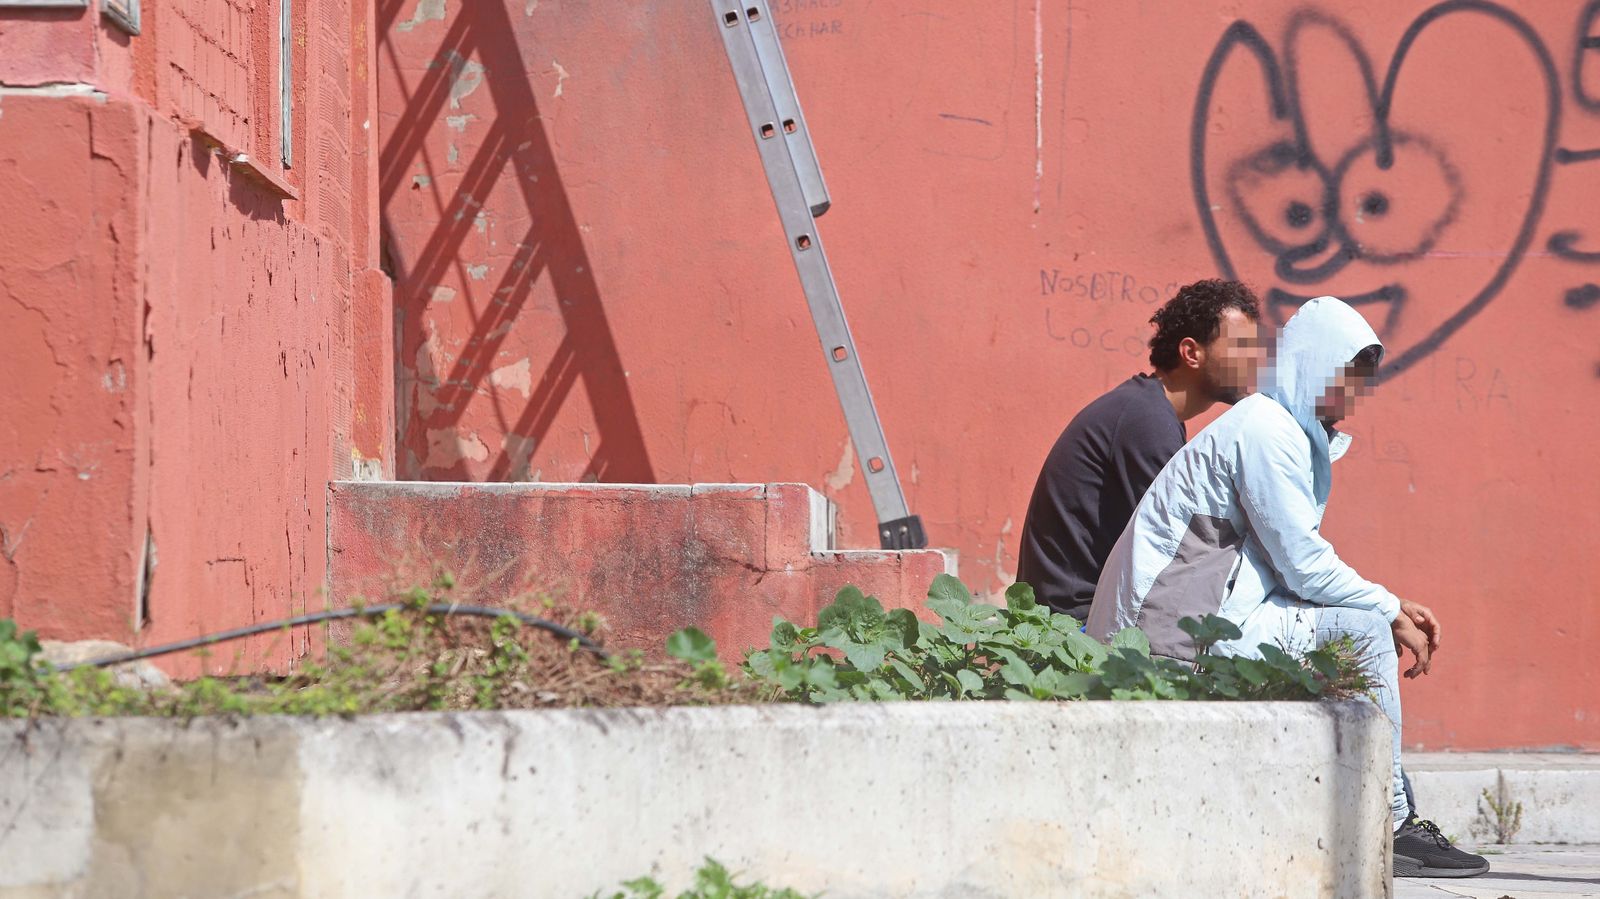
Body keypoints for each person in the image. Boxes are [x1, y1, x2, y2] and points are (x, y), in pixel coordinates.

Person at [1086, 296, 1488, 879]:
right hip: (1172, 637)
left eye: (1362, 382)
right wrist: (1391, 606)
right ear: (1312, 364)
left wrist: (1381, 601)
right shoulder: (1266, 428)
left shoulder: (1278, 427)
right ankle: (1391, 822)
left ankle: (1356, 808)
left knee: (1348, 625)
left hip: (1211, 617)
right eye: (1346, 377)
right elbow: (1302, 564)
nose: (1353, 396)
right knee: (1361, 630)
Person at [1017, 279, 1264, 621]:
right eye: (1240, 347)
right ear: (1191, 352)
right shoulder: (1147, 420)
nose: (1253, 360)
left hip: (1082, 619)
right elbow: (1182, 549)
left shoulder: (1149, 410)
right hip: (1073, 630)